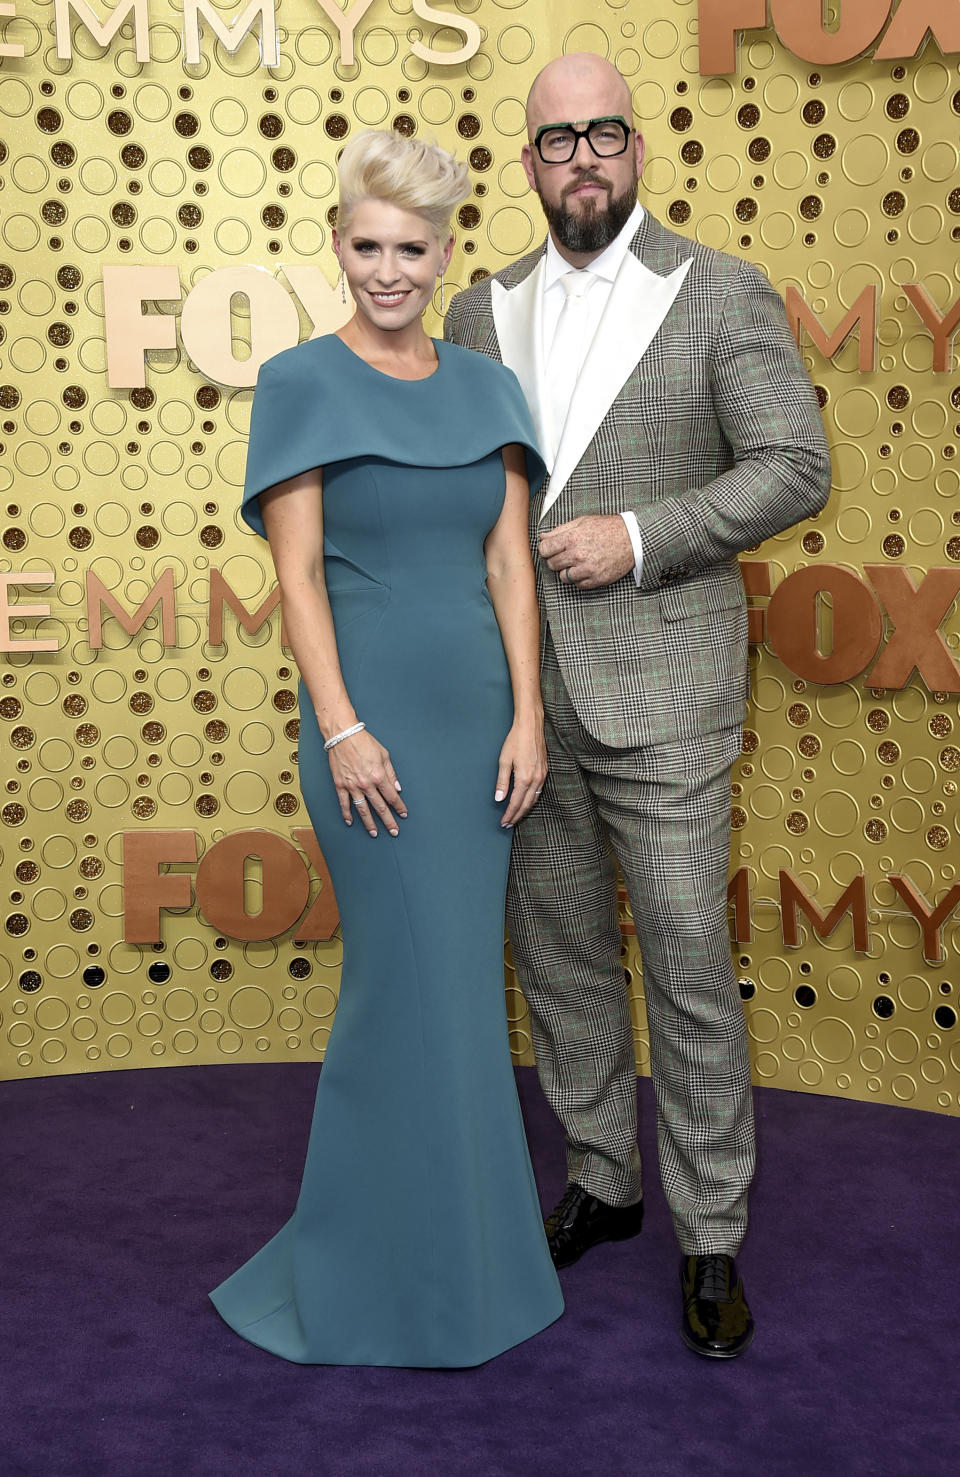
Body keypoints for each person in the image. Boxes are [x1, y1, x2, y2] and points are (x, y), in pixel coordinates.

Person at [445, 53, 832, 1359]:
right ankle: (604, 1180)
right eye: (559, 140)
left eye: (605, 133)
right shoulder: (478, 309)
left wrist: (642, 532)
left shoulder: (721, 291)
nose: (584, 158)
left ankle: (711, 1225)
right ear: (529, 160)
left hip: (667, 687)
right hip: (520, 702)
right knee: (556, 956)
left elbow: (794, 465)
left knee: (683, 959)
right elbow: (472, 496)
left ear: (639, 148)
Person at [209, 128, 564, 1367]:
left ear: (444, 248)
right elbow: (298, 579)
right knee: (398, 993)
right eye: (366, 245)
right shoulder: (304, 381)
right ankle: (372, 1275)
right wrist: (343, 726)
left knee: (464, 996)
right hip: (368, 731)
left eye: (410, 248)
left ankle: (471, 1265)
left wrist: (528, 713)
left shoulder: (486, 389)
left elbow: (511, 563)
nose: (387, 270)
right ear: (339, 241)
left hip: (479, 725)